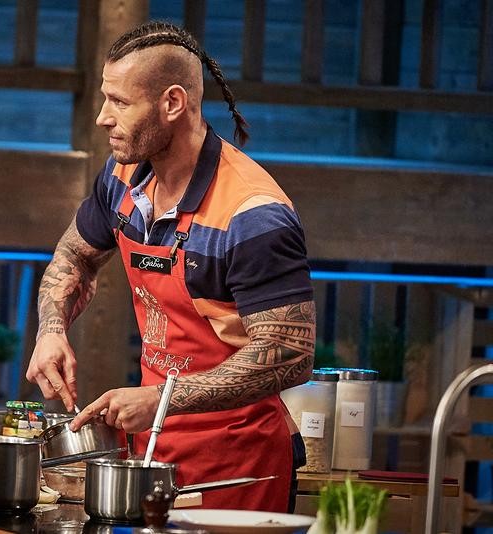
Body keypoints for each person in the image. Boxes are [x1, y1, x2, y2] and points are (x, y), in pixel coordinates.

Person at [26, 21, 315, 513]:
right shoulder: (122, 177)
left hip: (240, 464)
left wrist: (161, 398)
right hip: (155, 450)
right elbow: (74, 255)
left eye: (119, 102)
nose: (102, 117)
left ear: (173, 103)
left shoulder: (252, 214)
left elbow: (290, 355)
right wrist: (51, 331)